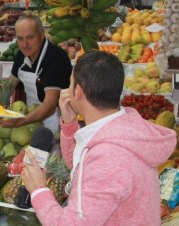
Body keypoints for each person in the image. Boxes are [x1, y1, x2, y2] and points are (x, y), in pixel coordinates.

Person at [21, 51, 176, 225]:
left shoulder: (108, 155)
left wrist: (38, 190)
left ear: (78, 92)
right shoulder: (124, 129)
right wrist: (70, 124)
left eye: (70, 83)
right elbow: (83, 169)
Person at [0, 15, 72, 133]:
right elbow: (8, 86)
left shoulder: (56, 58)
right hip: (31, 121)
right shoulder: (21, 55)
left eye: (30, 37)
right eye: (20, 39)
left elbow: (50, 106)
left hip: (57, 124)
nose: (25, 44)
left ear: (41, 35)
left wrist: (20, 122)